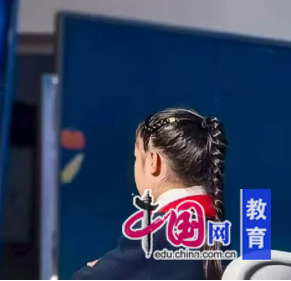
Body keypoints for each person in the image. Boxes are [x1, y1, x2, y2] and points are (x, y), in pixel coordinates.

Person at [73, 108, 228, 280]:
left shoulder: (152, 233)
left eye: (137, 157)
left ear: (154, 162)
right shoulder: (223, 232)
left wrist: (98, 269)